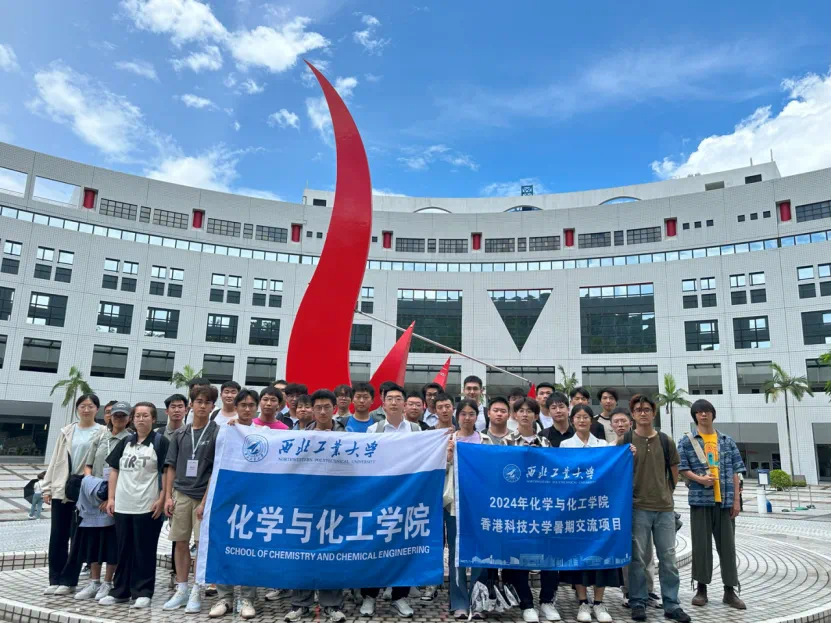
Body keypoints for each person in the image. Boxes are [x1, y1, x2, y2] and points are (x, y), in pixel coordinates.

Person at [618, 395, 690, 623]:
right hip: (637, 507)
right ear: (633, 414)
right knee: (637, 559)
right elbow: (616, 470)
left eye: (647, 409)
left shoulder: (665, 440)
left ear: (653, 413)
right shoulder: (625, 440)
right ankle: (638, 601)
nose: (643, 413)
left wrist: (667, 492)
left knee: (668, 558)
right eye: (638, 410)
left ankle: (672, 604)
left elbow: (674, 470)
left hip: (664, 508)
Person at [284, 390, 348, 622]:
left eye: (327, 407)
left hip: (335, 503)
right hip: (306, 503)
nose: (322, 411)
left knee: (332, 555)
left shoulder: (347, 436)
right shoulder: (301, 436)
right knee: (302, 554)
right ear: (311, 409)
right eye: (318, 407)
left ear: (334, 408)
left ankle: (332, 605)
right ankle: (300, 604)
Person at [678, 399, 746, 610]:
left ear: (713, 414)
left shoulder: (726, 441)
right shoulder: (687, 441)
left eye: (707, 411)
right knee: (701, 546)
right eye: (699, 412)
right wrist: (700, 479)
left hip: (725, 502)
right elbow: (682, 468)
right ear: (695, 416)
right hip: (700, 501)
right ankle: (701, 589)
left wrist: (736, 501)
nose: (703, 415)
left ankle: (730, 590)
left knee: (728, 547)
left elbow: (736, 471)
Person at [99, 402, 169, 608]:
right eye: (137, 415)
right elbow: (114, 470)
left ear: (153, 419)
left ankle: (143, 591)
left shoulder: (160, 442)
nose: (141, 419)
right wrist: (111, 498)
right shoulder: (126, 442)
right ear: (132, 419)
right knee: (123, 550)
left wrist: (162, 498)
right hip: (123, 505)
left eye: (145, 415)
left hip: (148, 506)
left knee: (144, 550)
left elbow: (166, 472)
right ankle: (120, 591)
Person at [360, 384, 417, 618]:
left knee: (404, 545)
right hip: (379, 497)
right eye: (389, 398)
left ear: (405, 404)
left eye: (398, 398)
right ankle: (369, 596)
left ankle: (399, 596)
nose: (394, 402)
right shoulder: (373, 430)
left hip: (408, 495)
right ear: (383, 404)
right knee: (375, 544)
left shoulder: (416, 429)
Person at [560, 405, 620, 623]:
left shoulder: (602, 445)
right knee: (579, 554)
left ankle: (599, 603)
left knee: (601, 553)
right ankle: (583, 602)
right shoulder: (565, 445)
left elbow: (614, 469)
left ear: (591, 420)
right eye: (578, 417)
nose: (582, 420)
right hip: (576, 510)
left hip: (599, 509)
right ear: (572, 420)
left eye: (586, 417)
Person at [163, 385, 220, 613]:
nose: (203, 406)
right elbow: (170, 467)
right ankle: (182, 588)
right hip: (181, 493)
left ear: (213, 406)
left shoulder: (217, 432)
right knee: (180, 541)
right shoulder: (181, 434)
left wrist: (205, 501)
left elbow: (216, 470)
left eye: (207, 402)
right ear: (191, 405)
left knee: (201, 544)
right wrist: (168, 496)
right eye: (199, 402)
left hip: (203, 495)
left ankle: (197, 589)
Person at [42, 394, 105, 596]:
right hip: (62, 487)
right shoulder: (67, 431)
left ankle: (69, 581)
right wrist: (47, 487)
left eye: (90, 406)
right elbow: (55, 460)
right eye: (82, 406)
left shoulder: (102, 432)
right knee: (57, 535)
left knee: (77, 537)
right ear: (77, 409)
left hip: (84, 490)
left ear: (97, 409)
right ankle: (55, 578)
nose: (86, 410)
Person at [75, 402, 133, 600]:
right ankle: (94, 581)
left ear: (129, 419)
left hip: (116, 498)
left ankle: (108, 582)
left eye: (123, 416)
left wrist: (110, 497)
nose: (118, 419)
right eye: (115, 415)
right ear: (110, 417)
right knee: (93, 540)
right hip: (94, 496)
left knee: (111, 542)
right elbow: (88, 465)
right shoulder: (100, 437)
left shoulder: (131, 440)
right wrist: (91, 489)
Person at [211, 389, 260, 619]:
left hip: (253, 499)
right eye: (243, 405)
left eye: (251, 405)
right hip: (226, 496)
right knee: (224, 546)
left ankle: (247, 598)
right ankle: (225, 597)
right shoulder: (224, 430)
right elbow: (214, 465)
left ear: (256, 408)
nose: (247, 409)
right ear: (236, 407)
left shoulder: (264, 433)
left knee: (249, 549)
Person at [501, 397, 551, 623]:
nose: (524, 414)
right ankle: (526, 603)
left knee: (548, 554)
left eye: (529, 411)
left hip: (543, 508)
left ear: (536, 415)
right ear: (514, 415)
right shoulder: (506, 442)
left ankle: (547, 601)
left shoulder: (545, 443)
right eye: (520, 411)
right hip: (517, 508)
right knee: (519, 554)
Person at [444, 399, 490, 619]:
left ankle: (478, 601)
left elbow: (492, 470)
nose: (467, 418)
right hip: (455, 505)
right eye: (463, 414)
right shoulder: (449, 440)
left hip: (480, 505)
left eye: (472, 414)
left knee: (481, 552)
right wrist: (448, 458)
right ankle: (459, 602)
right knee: (456, 553)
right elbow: (438, 470)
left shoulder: (485, 441)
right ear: (457, 416)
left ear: (477, 417)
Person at [611, 408, 659, 610]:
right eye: (616, 422)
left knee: (646, 549)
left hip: (643, 503)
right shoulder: (608, 449)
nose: (620, 425)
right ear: (611, 426)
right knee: (627, 549)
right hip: (620, 506)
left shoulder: (639, 443)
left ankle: (649, 591)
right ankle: (629, 591)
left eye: (623, 421)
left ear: (630, 423)